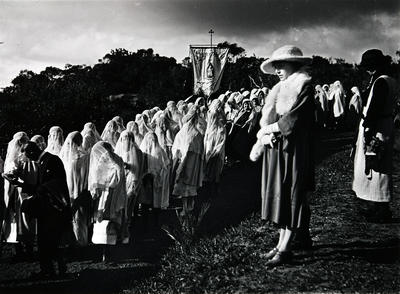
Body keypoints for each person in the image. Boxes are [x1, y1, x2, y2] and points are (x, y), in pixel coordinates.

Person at [250, 45, 315, 267]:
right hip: (278, 147)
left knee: (290, 192)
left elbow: (293, 121)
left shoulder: (303, 86)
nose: (277, 70)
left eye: (281, 65)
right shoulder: (278, 88)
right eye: (275, 65)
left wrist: (268, 131)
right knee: (279, 191)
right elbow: (270, 118)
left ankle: (286, 248)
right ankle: (280, 244)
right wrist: (265, 135)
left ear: (294, 65)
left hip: (292, 148)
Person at [352, 49, 397, 223]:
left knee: (376, 166)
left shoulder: (380, 82)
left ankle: (382, 208)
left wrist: (368, 129)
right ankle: (376, 205)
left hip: (377, 127)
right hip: (385, 125)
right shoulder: (390, 80)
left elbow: (374, 108)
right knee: (378, 165)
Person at [16, 141, 72, 278]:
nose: (29, 160)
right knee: (45, 241)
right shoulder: (44, 162)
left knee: (51, 240)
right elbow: (41, 186)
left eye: (28, 157)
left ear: (31, 152)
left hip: (53, 208)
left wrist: (33, 189)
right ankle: (49, 269)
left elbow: (52, 186)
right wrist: (17, 183)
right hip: (46, 208)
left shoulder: (52, 160)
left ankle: (56, 270)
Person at [88, 141, 127, 261]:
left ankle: (104, 252)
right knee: (111, 223)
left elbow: (98, 180)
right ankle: (108, 250)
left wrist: (95, 192)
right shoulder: (118, 159)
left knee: (103, 222)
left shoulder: (103, 161)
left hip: (105, 196)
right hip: (116, 194)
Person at [171, 106, 204, 234]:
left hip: (185, 166)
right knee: (189, 192)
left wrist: (179, 163)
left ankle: (187, 215)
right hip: (192, 168)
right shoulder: (196, 134)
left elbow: (176, 151)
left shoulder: (183, 133)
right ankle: (187, 213)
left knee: (185, 192)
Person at [59, 131, 91, 246]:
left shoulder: (63, 157)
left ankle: (71, 242)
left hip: (67, 190)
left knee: (70, 216)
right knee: (81, 216)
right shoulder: (85, 157)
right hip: (81, 189)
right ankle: (81, 241)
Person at [114, 130, 144, 242]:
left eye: (127, 138)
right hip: (121, 183)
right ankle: (120, 230)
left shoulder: (137, 151)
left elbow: (137, 170)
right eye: (123, 138)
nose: (125, 141)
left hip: (131, 182)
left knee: (127, 207)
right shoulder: (120, 150)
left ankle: (124, 232)